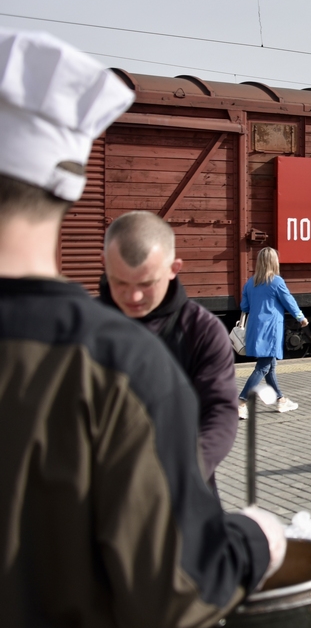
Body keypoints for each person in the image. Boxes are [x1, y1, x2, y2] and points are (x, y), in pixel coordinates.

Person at [0, 29, 284, 628]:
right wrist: (255, 540)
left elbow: (219, 409)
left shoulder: (187, 336)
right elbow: (174, 590)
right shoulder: (117, 363)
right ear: (69, 182)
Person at [100, 211, 238, 492]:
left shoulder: (202, 330)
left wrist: (184, 472)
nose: (133, 297)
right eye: (121, 283)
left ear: (174, 268)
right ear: (105, 264)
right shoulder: (83, 327)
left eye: (146, 283)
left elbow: (220, 410)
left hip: (178, 494)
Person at [238, 246, 307, 416]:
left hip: (255, 328)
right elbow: (289, 301)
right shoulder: (276, 281)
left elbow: (245, 306)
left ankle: (281, 401)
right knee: (263, 367)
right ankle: (241, 402)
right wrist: (300, 317)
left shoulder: (250, 282)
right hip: (270, 329)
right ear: (273, 262)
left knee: (270, 367)